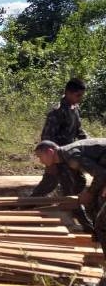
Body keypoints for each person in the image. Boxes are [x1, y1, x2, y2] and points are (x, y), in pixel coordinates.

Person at [33, 78, 92, 231]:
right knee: (63, 189)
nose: (80, 98)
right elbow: (46, 138)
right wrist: (52, 164)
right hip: (58, 159)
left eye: (81, 95)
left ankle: (70, 214)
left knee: (78, 183)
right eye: (78, 95)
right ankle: (86, 225)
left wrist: (90, 144)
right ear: (68, 93)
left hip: (71, 156)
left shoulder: (75, 108)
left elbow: (79, 131)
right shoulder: (57, 111)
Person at [33, 139, 106, 247]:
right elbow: (80, 182)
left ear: (50, 152)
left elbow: (101, 174)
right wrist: (76, 199)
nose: (40, 161)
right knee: (94, 207)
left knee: (101, 222)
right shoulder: (65, 158)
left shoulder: (70, 155)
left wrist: (90, 193)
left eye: (40, 156)